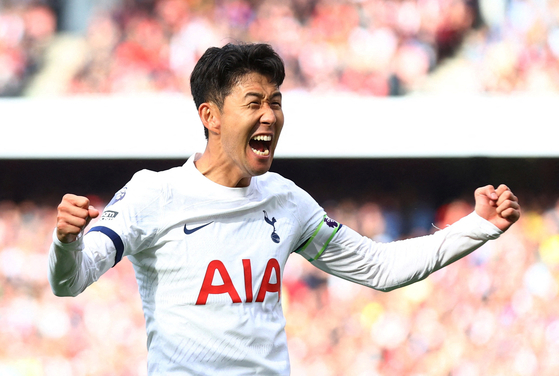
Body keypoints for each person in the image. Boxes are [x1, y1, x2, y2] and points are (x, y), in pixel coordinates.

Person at [48, 43, 521, 375]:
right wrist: (66, 242)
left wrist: (478, 226)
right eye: (254, 102)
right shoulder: (154, 194)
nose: (270, 116)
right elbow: (70, 281)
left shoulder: (286, 201)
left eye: (276, 102)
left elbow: (381, 267)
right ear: (210, 116)